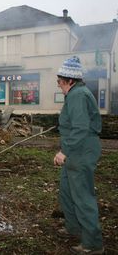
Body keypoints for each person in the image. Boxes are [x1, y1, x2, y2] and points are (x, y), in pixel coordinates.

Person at [53, 56, 104, 254]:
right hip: (75, 149)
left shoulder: (77, 95)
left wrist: (64, 151)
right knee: (67, 190)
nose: (58, 85)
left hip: (81, 150)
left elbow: (81, 128)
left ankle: (92, 244)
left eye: (59, 82)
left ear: (70, 81)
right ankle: (73, 228)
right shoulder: (75, 94)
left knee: (82, 195)